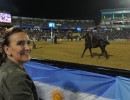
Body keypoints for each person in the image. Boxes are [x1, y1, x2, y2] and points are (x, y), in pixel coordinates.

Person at [0, 27, 39, 100]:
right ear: (7, 50)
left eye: (28, 43)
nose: (28, 48)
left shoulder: (6, 66)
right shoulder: (15, 77)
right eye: (20, 44)